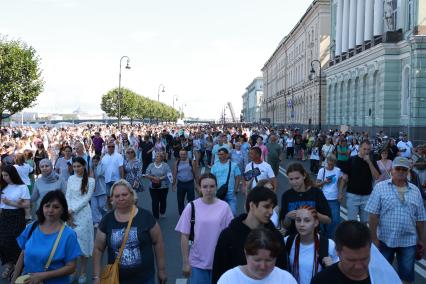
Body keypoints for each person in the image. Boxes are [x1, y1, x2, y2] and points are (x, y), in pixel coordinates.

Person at [92, 179, 167, 284]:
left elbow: (157, 242)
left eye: (124, 194)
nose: (121, 198)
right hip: (117, 279)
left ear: (132, 195)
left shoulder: (146, 216)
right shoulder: (107, 220)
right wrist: (96, 277)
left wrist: (161, 270)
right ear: (112, 199)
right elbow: (98, 249)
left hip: (145, 279)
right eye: (117, 196)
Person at [366, 156, 426, 284]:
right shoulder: (380, 187)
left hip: (408, 241)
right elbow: (373, 216)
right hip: (385, 239)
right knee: (382, 273)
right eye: (397, 168)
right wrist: (374, 239)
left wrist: (422, 239)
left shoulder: (415, 191)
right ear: (392, 170)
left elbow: (420, 219)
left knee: (406, 275)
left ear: (408, 171)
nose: (400, 171)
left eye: (404, 169)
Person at [211, 186, 289, 283]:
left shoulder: (276, 236)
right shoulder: (228, 235)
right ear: (252, 205)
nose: (271, 212)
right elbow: (219, 271)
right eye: (266, 206)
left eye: (272, 208)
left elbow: (282, 271)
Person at [12, 190, 81, 284]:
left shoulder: (69, 235)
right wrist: (13, 280)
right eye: (47, 206)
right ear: (42, 207)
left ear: (63, 210)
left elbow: (71, 267)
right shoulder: (32, 227)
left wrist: (42, 276)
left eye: (56, 207)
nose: (50, 210)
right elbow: (22, 255)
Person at [175, 173, 233, 284]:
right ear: (200, 188)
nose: (208, 190)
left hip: (219, 261)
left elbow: (230, 235)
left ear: (216, 187)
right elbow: (184, 236)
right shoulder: (191, 207)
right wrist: (186, 262)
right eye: (205, 187)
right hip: (197, 262)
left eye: (212, 186)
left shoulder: (224, 207)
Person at [311, 220, 402, 284]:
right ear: (337, 251)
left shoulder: (385, 278)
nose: (358, 266)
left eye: (364, 259)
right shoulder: (321, 281)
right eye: (351, 260)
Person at [218, 228, 297, 283]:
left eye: (269, 260)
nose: (263, 266)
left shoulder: (286, 279)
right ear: (246, 254)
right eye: (257, 260)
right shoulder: (229, 279)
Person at [285, 206, 338, 284]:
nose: (301, 224)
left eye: (307, 220)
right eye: (298, 220)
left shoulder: (328, 244)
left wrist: (332, 267)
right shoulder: (288, 241)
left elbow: (339, 273)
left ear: (316, 222)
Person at [279, 163, 331, 236]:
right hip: (293, 237)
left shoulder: (316, 193)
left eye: (297, 178)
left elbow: (328, 220)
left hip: (313, 237)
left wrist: (314, 213)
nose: (294, 182)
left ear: (304, 176)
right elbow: (285, 226)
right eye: (291, 179)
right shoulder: (286, 196)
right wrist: (288, 216)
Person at [66, 157, 95, 283]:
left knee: (83, 244)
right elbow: (67, 195)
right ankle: (72, 271)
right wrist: (68, 211)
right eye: (74, 166)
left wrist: (73, 210)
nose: (76, 168)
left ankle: (83, 272)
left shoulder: (91, 180)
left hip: (83, 215)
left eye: (79, 166)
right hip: (69, 214)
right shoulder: (71, 178)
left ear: (84, 166)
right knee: (72, 245)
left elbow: (86, 199)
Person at [0, 165, 30, 279]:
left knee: (15, 242)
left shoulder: (22, 187)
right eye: (3, 175)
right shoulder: (3, 187)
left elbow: (27, 204)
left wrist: (11, 203)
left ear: (12, 174)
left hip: (17, 216)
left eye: (6, 175)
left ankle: (18, 267)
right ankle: (9, 265)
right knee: (2, 242)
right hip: (4, 216)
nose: (4, 177)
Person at [343, 140, 380, 223]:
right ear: (359, 148)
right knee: (352, 222)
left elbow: (377, 177)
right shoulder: (352, 160)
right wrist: (340, 192)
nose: (366, 151)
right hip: (352, 195)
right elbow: (344, 177)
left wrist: (369, 162)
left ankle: (361, 236)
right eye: (364, 149)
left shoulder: (372, 161)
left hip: (367, 196)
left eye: (368, 150)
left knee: (364, 222)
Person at [316, 155, 343, 238]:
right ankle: (322, 236)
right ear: (327, 161)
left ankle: (330, 238)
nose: (331, 165)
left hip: (334, 199)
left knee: (335, 220)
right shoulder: (322, 171)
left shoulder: (338, 170)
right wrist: (324, 182)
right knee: (322, 220)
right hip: (323, 199)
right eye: (329, 163)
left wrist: (340, 193)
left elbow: (341, 181)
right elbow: (316, 185)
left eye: (333, 164)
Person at [211, 148, 241, 216]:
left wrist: (235, 189)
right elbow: (212, 179)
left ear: (227, 155)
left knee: (233, 213)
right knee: (220, 214)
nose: (220, 156)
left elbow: (237, 177)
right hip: (219, 194)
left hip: (231, 193)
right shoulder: (214, 166)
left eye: (222, 154)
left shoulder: (234, 165)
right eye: (218, 154)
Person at [145, 152, 172, 219]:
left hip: (163, 186)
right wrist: (153, 178)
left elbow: (169, 174)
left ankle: (162, 212)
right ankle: (155, 215)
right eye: (155, 156)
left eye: (158, 156)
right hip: (153, 186)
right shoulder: (151, 165)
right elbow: (147, 174)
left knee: (163, 200)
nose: (156, 157)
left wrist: (159, 178)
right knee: (155, 201)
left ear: (161, 158)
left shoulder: (165, 165)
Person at [172, 149, 197, 215]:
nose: (183, 156)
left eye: (184, 154)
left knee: (191, 200)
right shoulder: (176, 163)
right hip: (180, 184)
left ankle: (191, 213)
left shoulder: (191, 162)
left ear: (187, 154)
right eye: (181, 154)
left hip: (190, 183)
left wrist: (198, 185)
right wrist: (173, 185)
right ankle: (182, 214)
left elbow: (195, 174)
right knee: (180, 200)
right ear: (179, 155)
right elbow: (174, 174)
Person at [91, 155, 107, 227]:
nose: (95, 163)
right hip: (93, 190)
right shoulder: (91, 168)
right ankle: (97, 221)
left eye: (96, 161)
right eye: (93, 161)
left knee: (101, 206)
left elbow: (99, 173)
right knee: (94, 207)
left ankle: (104, 216)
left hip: (101, 189)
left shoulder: (102, 167)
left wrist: (98, 165)